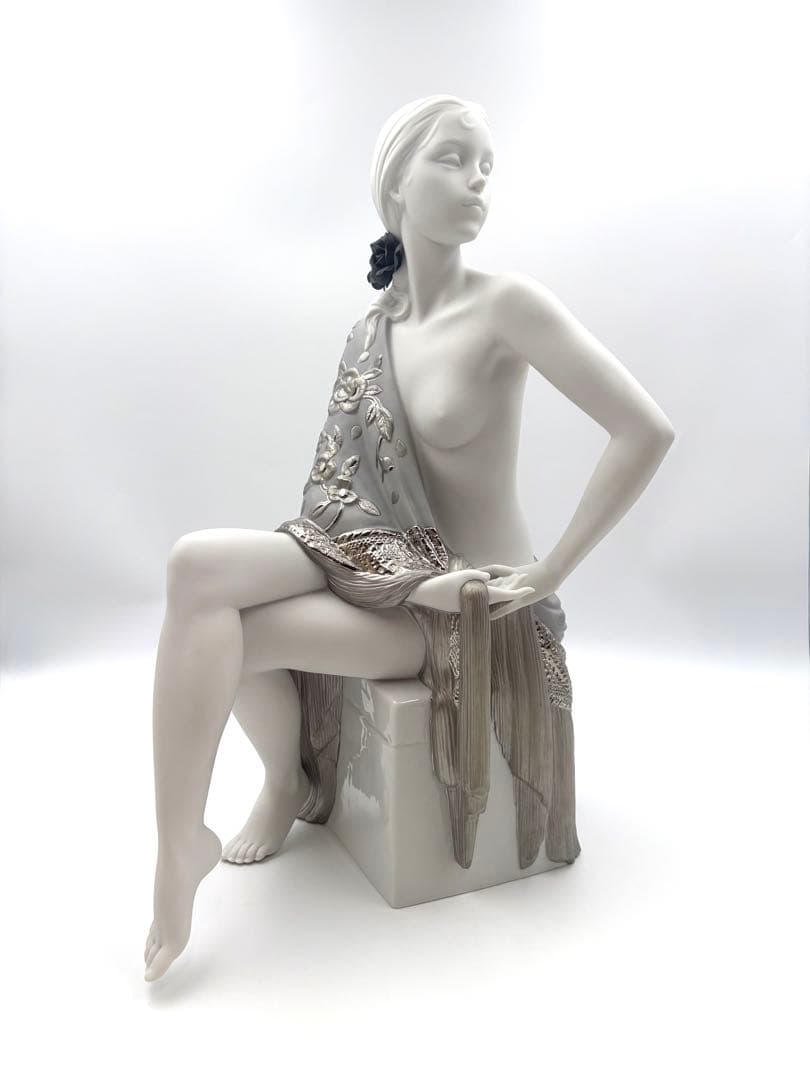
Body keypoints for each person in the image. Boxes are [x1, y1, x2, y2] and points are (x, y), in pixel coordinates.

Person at [144, 94, 675, 983]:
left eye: (487, 166)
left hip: (472, 610)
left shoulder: (508, 306)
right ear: (396, 184)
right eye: (453, 159)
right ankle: (178, 845)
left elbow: (645, 431)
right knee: (194, 567)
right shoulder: (370, 334)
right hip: (388, 571)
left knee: (236, 633)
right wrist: (394, 577)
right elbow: (340, 502)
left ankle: (284, 785)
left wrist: (550, 570)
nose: (477, 182)